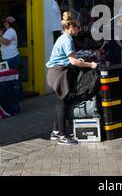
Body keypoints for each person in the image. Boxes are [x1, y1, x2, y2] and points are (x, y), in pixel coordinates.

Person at [46, 12, 98, 146]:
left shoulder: (63, 37)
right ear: (70, 26)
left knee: (60, 103)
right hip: (58, 74)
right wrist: (90, 65)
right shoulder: (67, 39)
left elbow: (70, 59)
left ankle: (55, 132)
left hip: (55, 72)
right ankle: (62, 136)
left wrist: (77, 60)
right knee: (62, 104)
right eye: (78, 27)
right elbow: (73, 61)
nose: (79, 30)